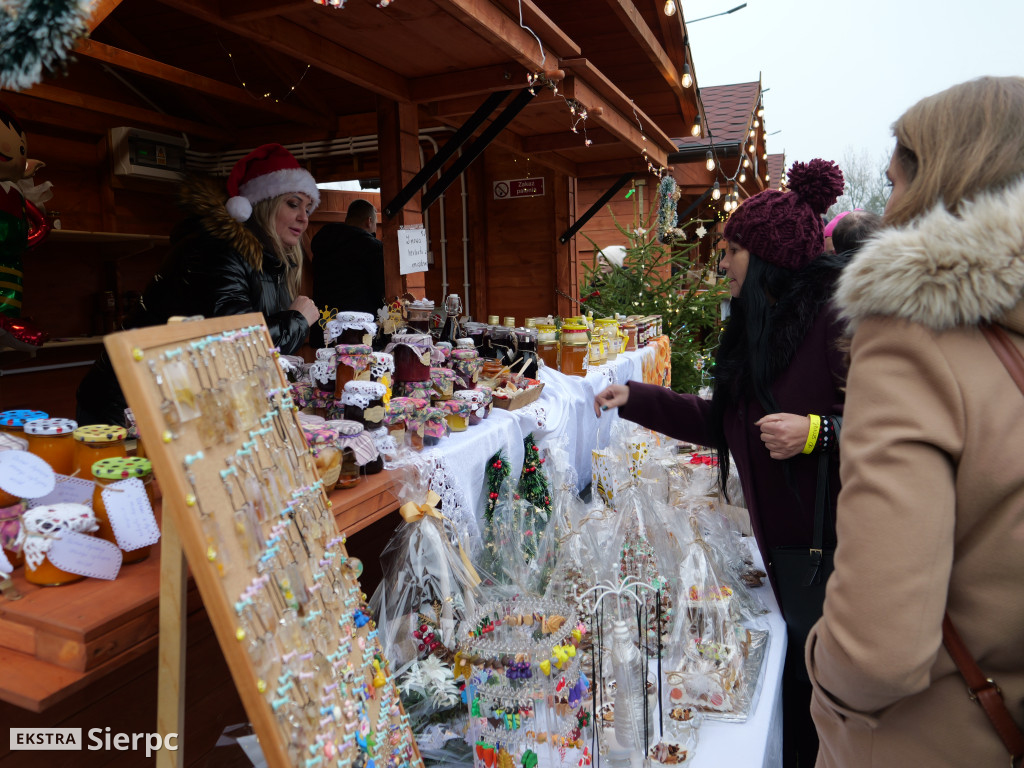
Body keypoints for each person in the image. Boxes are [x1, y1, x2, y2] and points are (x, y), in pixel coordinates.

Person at [594, 158, 847, 767]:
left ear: (767, 261)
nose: (722, 263)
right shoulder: (756, 334)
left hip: (833, 553)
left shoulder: (837, 324)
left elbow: (892, 426)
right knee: (800, 688)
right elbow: (723, 423)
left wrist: (818, 432)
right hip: (784, 551)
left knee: (824, 696)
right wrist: (638, 397)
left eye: (731, 251)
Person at [807, 76, 1024, 767]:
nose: (886, 207)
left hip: (933, 740)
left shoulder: (915, 334)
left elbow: (878, 649)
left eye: (897, 183)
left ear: (943, 183)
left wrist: (817, 658)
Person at [76, 143, 321, 426]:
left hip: (178, 398)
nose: (304, 218)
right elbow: (237, 343)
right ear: (263, 204)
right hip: (129, 401)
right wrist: (296, 319)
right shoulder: (217, 252)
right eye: (293, 204)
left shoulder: (272, 262)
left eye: (308, 207)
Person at [311, 198, 385, 344]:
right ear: (369, 221)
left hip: (325, 325)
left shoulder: (324, 243)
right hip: (357, 329)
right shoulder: (372, 248)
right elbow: (381, 287)